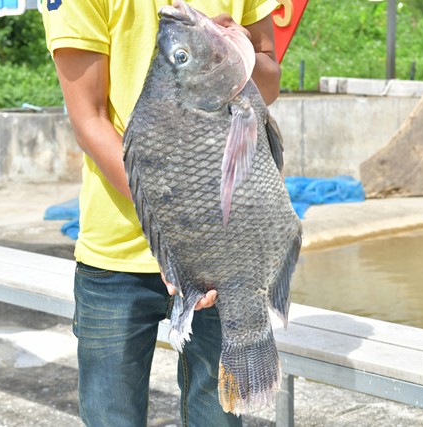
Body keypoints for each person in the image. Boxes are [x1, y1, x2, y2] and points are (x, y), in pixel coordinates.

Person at [41, 1, 281, 425]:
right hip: (115, 255)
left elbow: (269, 78)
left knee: (219, 417)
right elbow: (89, 120)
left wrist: (236, 50)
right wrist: (173, 237)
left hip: (222, 248)